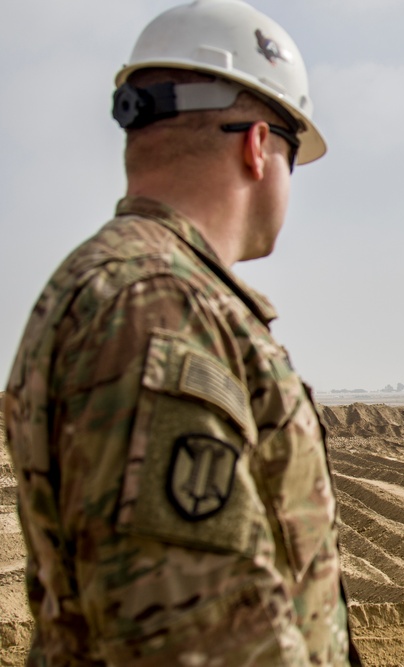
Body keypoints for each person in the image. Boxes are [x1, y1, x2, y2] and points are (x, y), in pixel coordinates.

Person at [3, 1, 361, 664]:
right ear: (258, 145)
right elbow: (202, 637)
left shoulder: (131, 289)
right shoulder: (157, 307)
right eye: (292, 153)